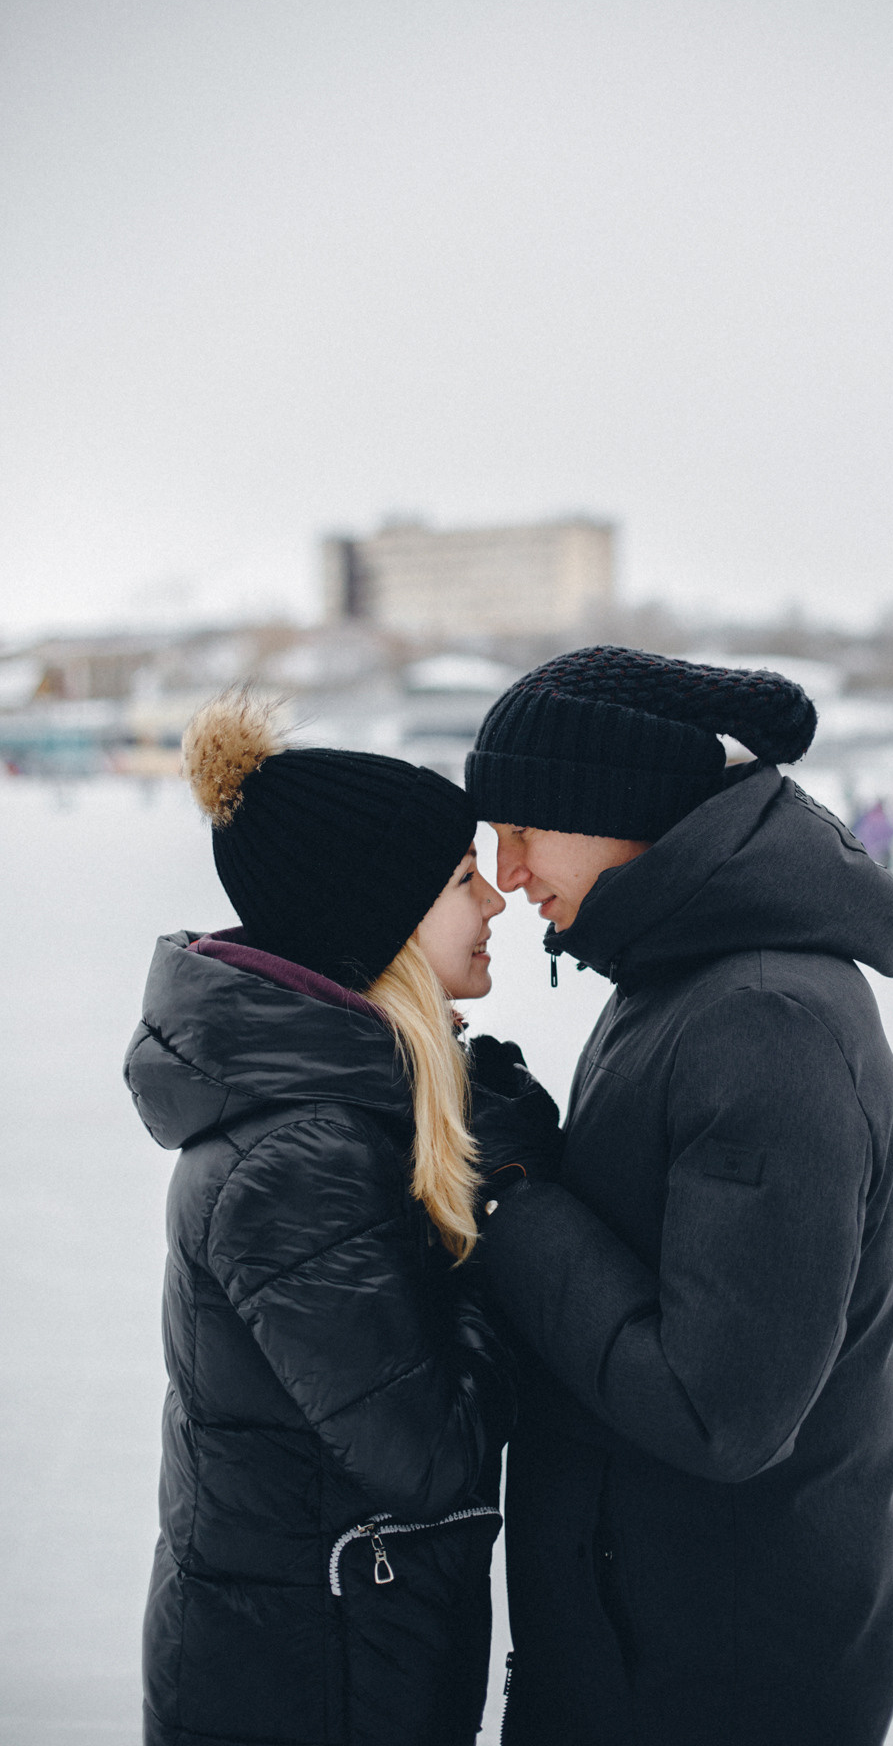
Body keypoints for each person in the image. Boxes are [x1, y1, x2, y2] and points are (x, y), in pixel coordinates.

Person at [464, 647, 893, 1746]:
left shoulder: (764, 1020)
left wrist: (512, 1198)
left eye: (525, 827)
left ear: (618, 808)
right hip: (650, 1635)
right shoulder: (682, 974)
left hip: (716, 1677)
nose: (505, 871)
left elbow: (721, 1407)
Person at [124, 691, 555, 1746]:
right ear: (384, 920)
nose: (495, 901)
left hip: (337, 1652)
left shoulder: (355, 1116)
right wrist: (516, 1224)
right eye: (461, 882)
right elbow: (432, 1454)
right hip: (308, 1687)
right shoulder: (301, 1161)